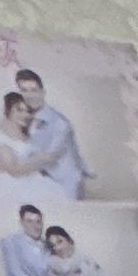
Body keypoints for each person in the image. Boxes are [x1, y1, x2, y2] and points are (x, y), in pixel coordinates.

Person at [14, 68, 93, 198]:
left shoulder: (59, 123)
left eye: (34, 90)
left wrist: (15, 167)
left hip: (65, 186)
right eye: (24, 91)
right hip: (39, 184)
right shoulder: (22, 120)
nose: (30, 96)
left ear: (42, 92)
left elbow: (50, 157)